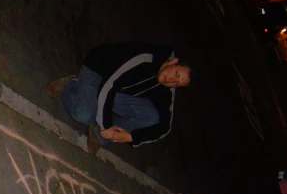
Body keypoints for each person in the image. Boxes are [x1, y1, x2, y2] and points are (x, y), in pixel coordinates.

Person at [46, 41, 191, 151]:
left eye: (177, 84)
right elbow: (108, 86)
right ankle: (70, 83)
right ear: (174, 61)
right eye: (176, 74)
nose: (171, 80)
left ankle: (97, 135)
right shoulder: (147, 58)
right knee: (84, 115)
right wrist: (106, 125)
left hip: (119, 91)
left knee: (153, 117)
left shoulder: (167, 88)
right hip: (99, 72)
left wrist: (132, 137)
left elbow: (164, 127)